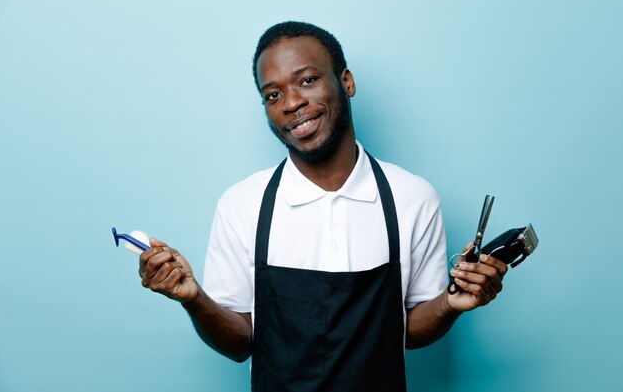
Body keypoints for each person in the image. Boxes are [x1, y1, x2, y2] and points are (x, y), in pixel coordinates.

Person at [138, 21, 507, 391]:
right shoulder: (241, 204)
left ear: (346, 81)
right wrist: (193, 298)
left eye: (308, 80)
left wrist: (452, 302)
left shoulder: (411, 197)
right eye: (272, 95)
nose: (292, 103)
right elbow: (239, 343)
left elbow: (408, 330)